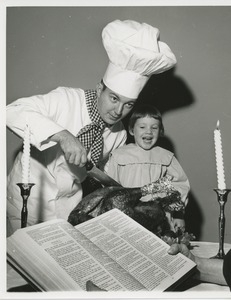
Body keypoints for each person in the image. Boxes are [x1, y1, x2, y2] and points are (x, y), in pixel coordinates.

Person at [6, 19, 177, 235]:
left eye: (128, 104)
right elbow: (11, 111)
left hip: (67, 214)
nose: (118, 111)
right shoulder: (66, 99)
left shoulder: (119, 135)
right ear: (99, 89)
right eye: (114, 98)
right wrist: (63, 135)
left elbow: (98, 179)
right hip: (27, 205)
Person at [107, 105, 190, 232]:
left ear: (160, 131)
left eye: (154, 127)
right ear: (131, 130)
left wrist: (178, 214)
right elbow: (109, 188)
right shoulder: (119, 155)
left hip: (160, 217)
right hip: (127, 216)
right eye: (142, 127)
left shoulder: (166, 157)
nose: (148, 132)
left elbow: (180, 186)